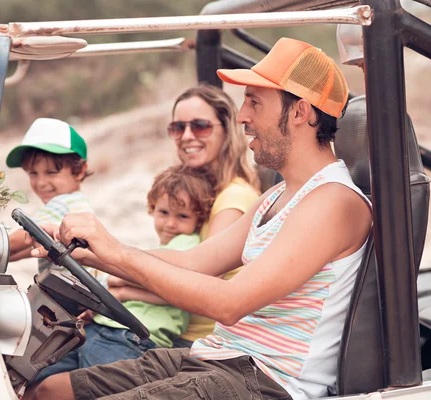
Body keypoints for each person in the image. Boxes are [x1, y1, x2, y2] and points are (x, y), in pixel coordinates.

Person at [27, 37, 372, 400]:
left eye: (254, 101)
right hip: (219, 357)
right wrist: (89, 248)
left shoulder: (334, 201)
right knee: (47, 390)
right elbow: (194, 261)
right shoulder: (278, 195)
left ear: (301, 112)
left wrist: (118, 255)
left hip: (265, 380)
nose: (242, 116)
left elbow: (230, 302)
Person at [30, 165, 217, 383]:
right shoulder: (162, 246)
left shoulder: (187, 244)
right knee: (36, 374)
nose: (170, 223)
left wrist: (122, 288)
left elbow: (171, 291)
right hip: (106, 328)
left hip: (130, 338)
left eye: (182, 216)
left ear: (199, 219)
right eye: (164, 213)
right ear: (152, 209)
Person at [113, 85, 262, 348]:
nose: (187, 136)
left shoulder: (233, 198)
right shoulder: (197, 194)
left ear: (227, 131)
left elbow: (203, 281)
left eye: (200, 126)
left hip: (200, 341)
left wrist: (121, 275)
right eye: (178, 128)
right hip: (169, 324)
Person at [7, 117, 94, 274]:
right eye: (33, 173)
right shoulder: (79, 203)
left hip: (70, 297)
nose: (41, 183)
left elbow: (14, 242)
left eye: (51, 172)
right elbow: (19, 250)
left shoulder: (61, 205)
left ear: (80, 170)